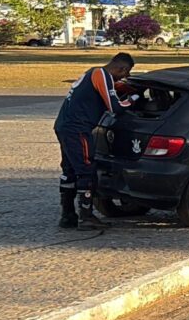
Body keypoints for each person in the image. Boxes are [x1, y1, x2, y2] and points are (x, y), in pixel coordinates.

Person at [54, 51, 135, 229]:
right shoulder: (101, 74)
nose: (125, 77)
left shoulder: (92, 72)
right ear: (122, 68)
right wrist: (133, 99)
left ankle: (68, 216)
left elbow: (107, 92)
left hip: (64, 126)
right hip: (78, 129)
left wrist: (122, 89)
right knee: (87, 170)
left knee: (69, 169)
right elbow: (115, 107)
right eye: (126, 73)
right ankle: (86, 217)